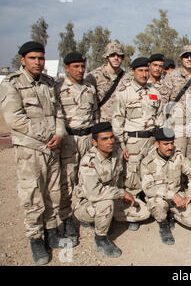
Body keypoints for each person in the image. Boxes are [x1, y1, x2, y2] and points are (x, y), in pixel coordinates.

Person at [0, 41, 67, 264]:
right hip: (30, 151)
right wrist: (46, 135)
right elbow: (14, 118)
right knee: (32, 195)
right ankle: (35, 239)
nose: (38, 62)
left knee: (52, 193)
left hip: (52, 149)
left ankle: (51, 230)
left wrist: (58, 133)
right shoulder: (12, 84)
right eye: (33, 58)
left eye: (40, 58)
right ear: (22, 60)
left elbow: (58, 111)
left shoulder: (49, 83)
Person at [73, 122, 150, 258]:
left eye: (111, 138)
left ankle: (107, 218)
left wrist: (127, 193)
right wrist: (122, 193)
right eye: (104, 139)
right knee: (106, 203)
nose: (110, 142)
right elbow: (94, 193)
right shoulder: (88, 162)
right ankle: (100, 239)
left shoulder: (116, 153)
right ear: (94, 142)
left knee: (144, 212)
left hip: (113, 197)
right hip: (88, 203)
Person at [112, 57, 164, 230]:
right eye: (140, 70)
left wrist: (160, 137)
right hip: (133, 140)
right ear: (133, 71)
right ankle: (132, 212)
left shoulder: (154, 91)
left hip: (151, 139)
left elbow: (160, 115)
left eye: (146, 70)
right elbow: (117, 119)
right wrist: (121, 144)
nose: (144, 74)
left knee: (150, 172)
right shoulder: (124, 92)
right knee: (132, 176)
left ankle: (150, 207)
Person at [55, 52, 99, 247]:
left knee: (87, 177)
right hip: (69, 140)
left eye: (82, 66)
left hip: (88, 138)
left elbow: (96, 114)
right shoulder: (58, 88)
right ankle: (66, 220)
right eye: (76, 67)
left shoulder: (90, 88)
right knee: (67, 180)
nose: (81, 70)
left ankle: (83, 213)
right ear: (67, 68)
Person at [140, 127, 191, 245]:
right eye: (166, 144)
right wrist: (172, 195)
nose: (170, 147)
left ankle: (171, 214)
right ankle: (163, 224)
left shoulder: (178, 156)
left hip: (177, 197)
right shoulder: (148, 162)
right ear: (156, 144)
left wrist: (190, 194)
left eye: (172, 143)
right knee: (158, 204)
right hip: (159, 198)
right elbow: (147, 188)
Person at [163, 45, 191, 168]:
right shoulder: (171, 76)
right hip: (176, 127)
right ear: (181, 58)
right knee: (176, 160)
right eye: (186, 56)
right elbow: (163, 103)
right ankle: (176, 187)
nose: (189, 58)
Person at [84, 41, 131, 123]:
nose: (116, 58)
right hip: (102, 126)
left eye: (119, 55)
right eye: (112, 55)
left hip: (122, 124)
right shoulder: (94, 76)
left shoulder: (128, 77)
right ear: (107, 57)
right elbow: (87, 104)